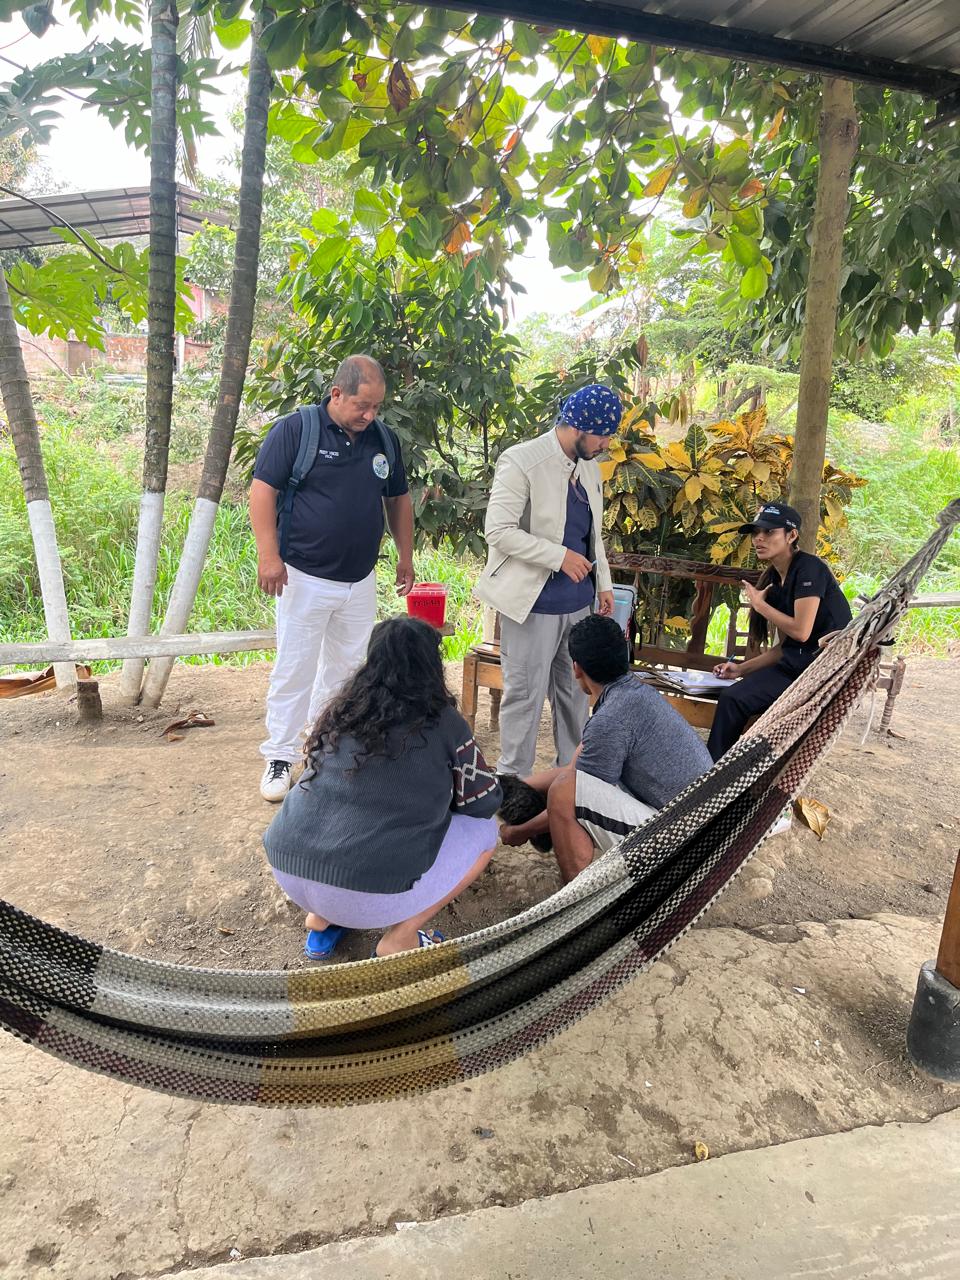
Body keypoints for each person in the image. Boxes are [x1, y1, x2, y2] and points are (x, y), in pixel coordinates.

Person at [263, 616, 502, 959]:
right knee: (485, 832)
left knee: (342, 811)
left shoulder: (341, 711)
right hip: (366, 895)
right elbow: (483, 803)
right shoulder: (444, 722)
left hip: (288, 869)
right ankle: (401, 936)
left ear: (371, 661)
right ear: (431, 665)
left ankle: (322, 917)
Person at [249, 355, 415, 802]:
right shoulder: (296, 430)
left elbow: (398, 498)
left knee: (347, 670)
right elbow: (262, 491)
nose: (370, 415)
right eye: (362, 405)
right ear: (336, 394)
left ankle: (325, 746)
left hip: (359, 579)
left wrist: (405, 556)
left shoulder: (383, 439)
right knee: (295, 667)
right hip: (302, 576)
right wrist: (269, 555)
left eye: (376, 407)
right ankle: (280, 756)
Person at [475, 384, 621, 780]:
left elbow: (593, 535)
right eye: (602, 435)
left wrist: (603, 584)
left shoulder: (589, 467)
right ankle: (514, 786)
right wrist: (558, 557)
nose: (606, 444)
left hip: (579, 605)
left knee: (575, 697)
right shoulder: (521, 460)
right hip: (531, 605)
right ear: (577, 426)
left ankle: (572, 782)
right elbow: (498, 531)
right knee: (524, 697)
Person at [500, 614, 713, 882]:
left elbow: (570, 794)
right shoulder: (634, 694)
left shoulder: (610, 719)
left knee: (564, 794)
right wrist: (503, 787)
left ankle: (576, 895)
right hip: (702, 824)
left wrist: (520, 831)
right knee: (571, 783)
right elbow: (575, 770)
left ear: (576, 668)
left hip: (685, 843)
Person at [707, 502, 852, 761]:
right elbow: (785, 649)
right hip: (795, 667)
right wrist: (740, 669)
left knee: (736, 701)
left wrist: (760, 605)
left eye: (769, 532)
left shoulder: (809, 569)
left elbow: (801, 632)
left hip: (819, 673)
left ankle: (714, 771)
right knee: (731, 697)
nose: (759, 539)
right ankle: (713, 768)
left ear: (791, 535)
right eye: (756, 532)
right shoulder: (776, 578)